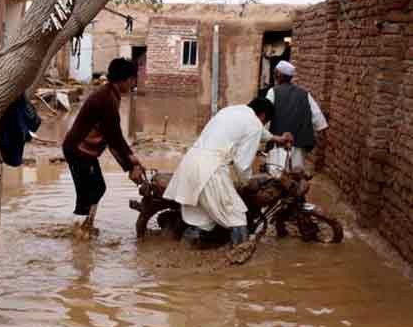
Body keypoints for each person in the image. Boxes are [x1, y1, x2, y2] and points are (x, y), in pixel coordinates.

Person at [162, 98, 293, 246]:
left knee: (205, 216)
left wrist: (278, 139)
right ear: (263, 116)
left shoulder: (231, 111)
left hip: (190, 163)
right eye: (265, 121)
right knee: (237, 216)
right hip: (211, 170)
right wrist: (248, 182)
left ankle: (185, 245)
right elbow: (242, 164)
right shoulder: (255, 123)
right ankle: (240, 256)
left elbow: (258, 131)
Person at [62, 58, 145, 235]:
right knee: (90, 192)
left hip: (84, 151)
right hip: (78, 150)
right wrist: (131, 164)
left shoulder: (111, 94)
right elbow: (114, 137)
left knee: (97, 188)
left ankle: (85, 228)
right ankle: (78, 235)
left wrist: (130, 164)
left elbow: (112, 139)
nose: (133, 84)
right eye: (132, 80)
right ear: (125, 79)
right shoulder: (107, 99)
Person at [265, 60, 328, 175]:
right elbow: (319, 120)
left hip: (279, 142)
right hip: (299, 143)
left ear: (278, 75)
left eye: (275, 73)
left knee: (277, 176)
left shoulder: (273, 92)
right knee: (296, 176)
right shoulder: (304, 94)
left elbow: (266, 116)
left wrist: (264, 135)